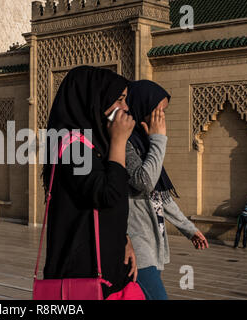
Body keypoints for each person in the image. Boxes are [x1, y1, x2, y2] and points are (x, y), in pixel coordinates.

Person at [41, 66, 143, 300]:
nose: (126, 108)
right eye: (119, 99)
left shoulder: (94, 145)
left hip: (106, 271)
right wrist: (118, 141)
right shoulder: (71, 147)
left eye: (125, 99)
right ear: (94, 99)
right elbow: (108, 194)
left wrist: (122, 239)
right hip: (82, 275)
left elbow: (105, 203)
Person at [125, 80, 209, 300]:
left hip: (155, 246)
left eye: (164, 112)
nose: (161, 117)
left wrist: (189, 229)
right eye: (157, 110)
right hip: (136, 247)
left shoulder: (146, 145)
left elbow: (161, 198)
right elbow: (145, 182)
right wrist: (159, 139)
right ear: (142, 107)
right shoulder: (125, 144)